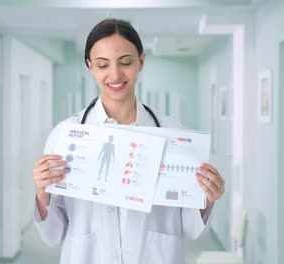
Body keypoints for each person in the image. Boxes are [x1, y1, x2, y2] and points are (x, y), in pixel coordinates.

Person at [32, 18, 225, 264]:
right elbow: (54, 233)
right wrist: (42, 193)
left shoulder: (172, 132)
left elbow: (188, 227)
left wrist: (206, 197)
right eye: (103, 65)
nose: (115, 74)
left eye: (125, 62)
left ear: (141, 61)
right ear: (90, 66)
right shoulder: (64, 135)